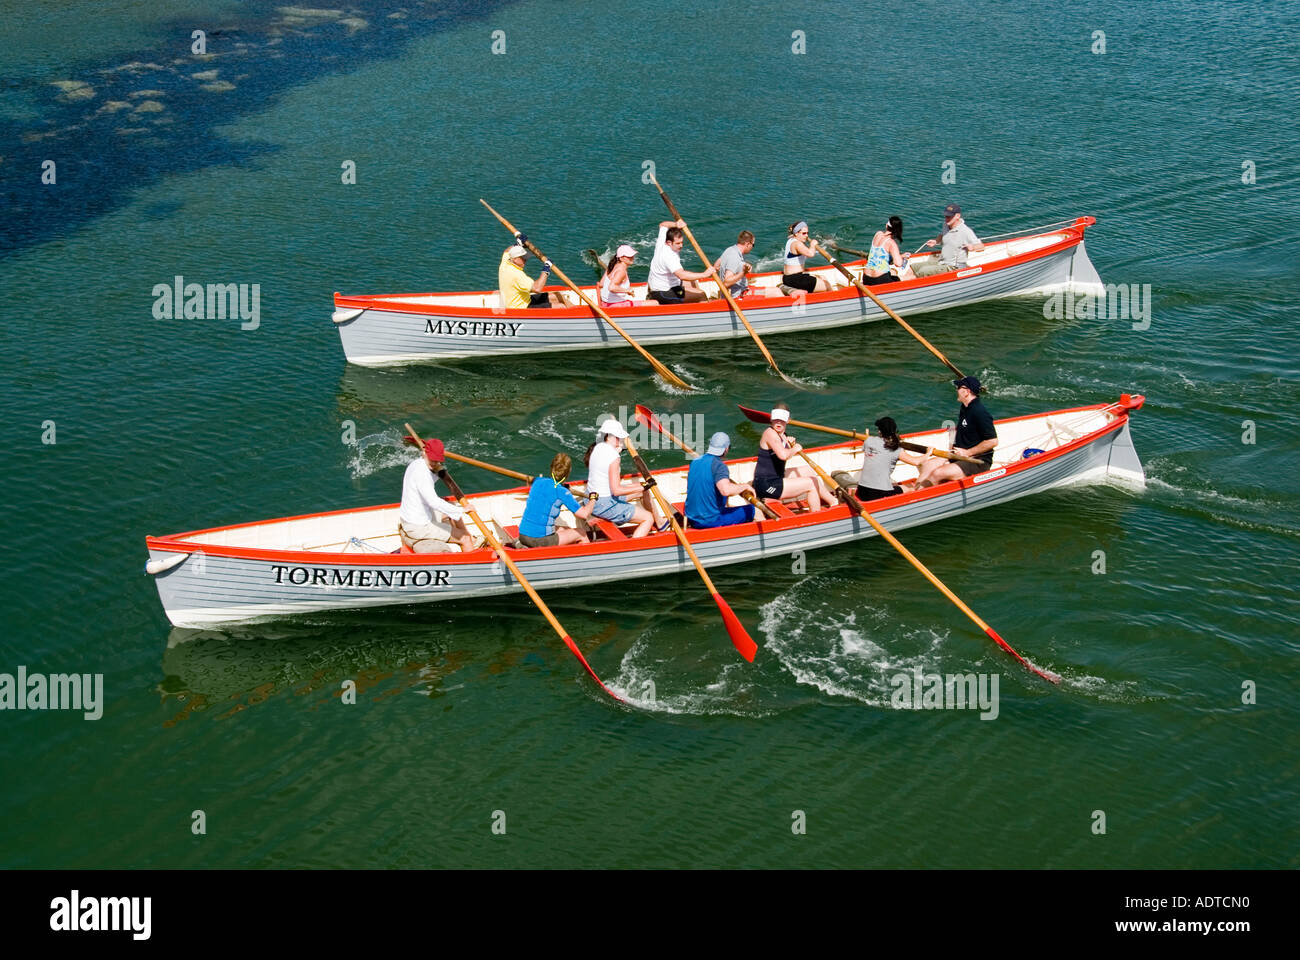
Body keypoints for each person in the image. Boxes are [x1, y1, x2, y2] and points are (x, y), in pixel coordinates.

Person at [398, 436, 481, 553]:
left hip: (411, 519)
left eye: (438, 461)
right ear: (425, 453)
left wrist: (438, 469)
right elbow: (433, 501)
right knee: (464, 538)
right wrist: (463, 510)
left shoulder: (417, 463)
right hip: (419, 527)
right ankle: (470, 550)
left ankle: (472, 538)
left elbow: (431, 475)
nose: (435, 463)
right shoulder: (422, 475)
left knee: (451, 506)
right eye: (433, 460)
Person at [584, 418, 661, 537]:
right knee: (648, 518)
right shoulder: (614, 457)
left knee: (644, 491)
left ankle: (660, 522)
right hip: (604, 505)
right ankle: (634, 549)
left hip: (590, 498)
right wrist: (644, 485)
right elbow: (617, 490)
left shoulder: (597, 448)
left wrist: (642, 488)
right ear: (614, 437)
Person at [916, 376, 998, 487]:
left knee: (938, 473)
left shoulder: (980, 412)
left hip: (977, 461)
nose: (956, 390)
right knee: (926, 466)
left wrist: (967, 453)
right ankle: (915, 493)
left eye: (959, 387)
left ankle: (921, 499)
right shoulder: (965, 407)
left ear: (967, 392)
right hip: (958, 456)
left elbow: (992, 441)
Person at [752, 405, 833, 511]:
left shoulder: (783, 435)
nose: (778, 423)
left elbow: (781, 449)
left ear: (788, 420)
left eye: (782, 420)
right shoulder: (770, 433)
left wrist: (788, 443)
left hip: (776, 478)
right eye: (776, 419)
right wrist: (795, 448)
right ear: (771, 419)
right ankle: (817, 517)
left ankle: (833, 501)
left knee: (808, 470)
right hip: (766, 485)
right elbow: (783, 455)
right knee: (811, 483)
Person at [517, 453, 595, 548]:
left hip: (523, 534)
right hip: (538, 540)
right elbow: (584, 514)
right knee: (581, 533)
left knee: (565, 529)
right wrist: (593, 499)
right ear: (568, 472)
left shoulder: (538, 481)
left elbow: (544, 485)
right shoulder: (562, 492)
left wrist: (561, 485)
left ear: (551, 467)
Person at [685, 432, 757, 528]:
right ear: (726, 449)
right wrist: (745, 486)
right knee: (754, 511)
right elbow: (725, 490)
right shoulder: (719, 466)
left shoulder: (695, 462)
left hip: (691, 517)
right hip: (709, 521)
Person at [855, 417, 926, 501]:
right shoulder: (895, 449)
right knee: (909, 488)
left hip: (861, 490)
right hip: (877, 493)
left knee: (893, 485)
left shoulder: (868, 441)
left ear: (879, 431)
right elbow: (916, 462)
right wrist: (928, 453)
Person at [647, 219, 716, 304]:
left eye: (682, 242)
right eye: (678, 243)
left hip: (662, 286)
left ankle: (691, 304)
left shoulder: (662, 242)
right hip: (662, 293)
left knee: (692, 281)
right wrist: (705, 274)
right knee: (701, 294)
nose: (681, 246)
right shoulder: (669, 256)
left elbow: (663, 225)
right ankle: (703, 313)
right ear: (669, 243)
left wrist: (676, 224)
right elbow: (681, 275)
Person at [913, 204, 985, 276]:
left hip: (954, 267)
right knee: (913, 267)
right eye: (945, 216)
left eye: (949, 216)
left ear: (958, 216)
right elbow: (942, 235)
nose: (946, 218)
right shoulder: (946, 224)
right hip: (942, 262)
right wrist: (936, 241)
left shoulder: (965, 231)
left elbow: (981, 246)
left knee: (922, 271)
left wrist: (972, 247)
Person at [498, 244, 562, 309]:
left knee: (557, 295)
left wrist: (519, 244)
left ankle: (572, 309)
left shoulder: (505, 263)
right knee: (561, 307)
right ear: (515, 259)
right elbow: (537, 288)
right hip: (520, 308)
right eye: (523, 258)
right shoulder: (517, 275)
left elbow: (507, 250)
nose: (525, 260)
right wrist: (546, 269)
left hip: (523, 301)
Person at [861, 216, 916, 286]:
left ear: (886, 226)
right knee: (911, 277)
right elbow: (898, 263)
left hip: (866, 278)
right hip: (879, 279)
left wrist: (901, 256)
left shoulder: (878, 234)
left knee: (892, 272)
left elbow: (880, 255)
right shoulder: (891, 243)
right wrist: (901, 259)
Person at [782, 221, 829, 294]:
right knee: (826, 285)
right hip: (794, 279)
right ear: (796, 233)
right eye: (803, 233)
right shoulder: (797, 244)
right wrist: (813, 244)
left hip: (788, 278)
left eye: (807, 233)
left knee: (823, 277)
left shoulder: (791, 240)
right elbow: (810, 254)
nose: (806, 236)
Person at [712, 230, 756, 298]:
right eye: (753, 245)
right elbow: (726, 283)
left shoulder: (730, 249)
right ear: (747, 244)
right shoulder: (734, 256)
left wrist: (740, 266)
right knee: (776, 292)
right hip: (738, 296)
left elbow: (716, 267)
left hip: (738, 291)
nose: (752, 247)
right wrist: (743, 273)